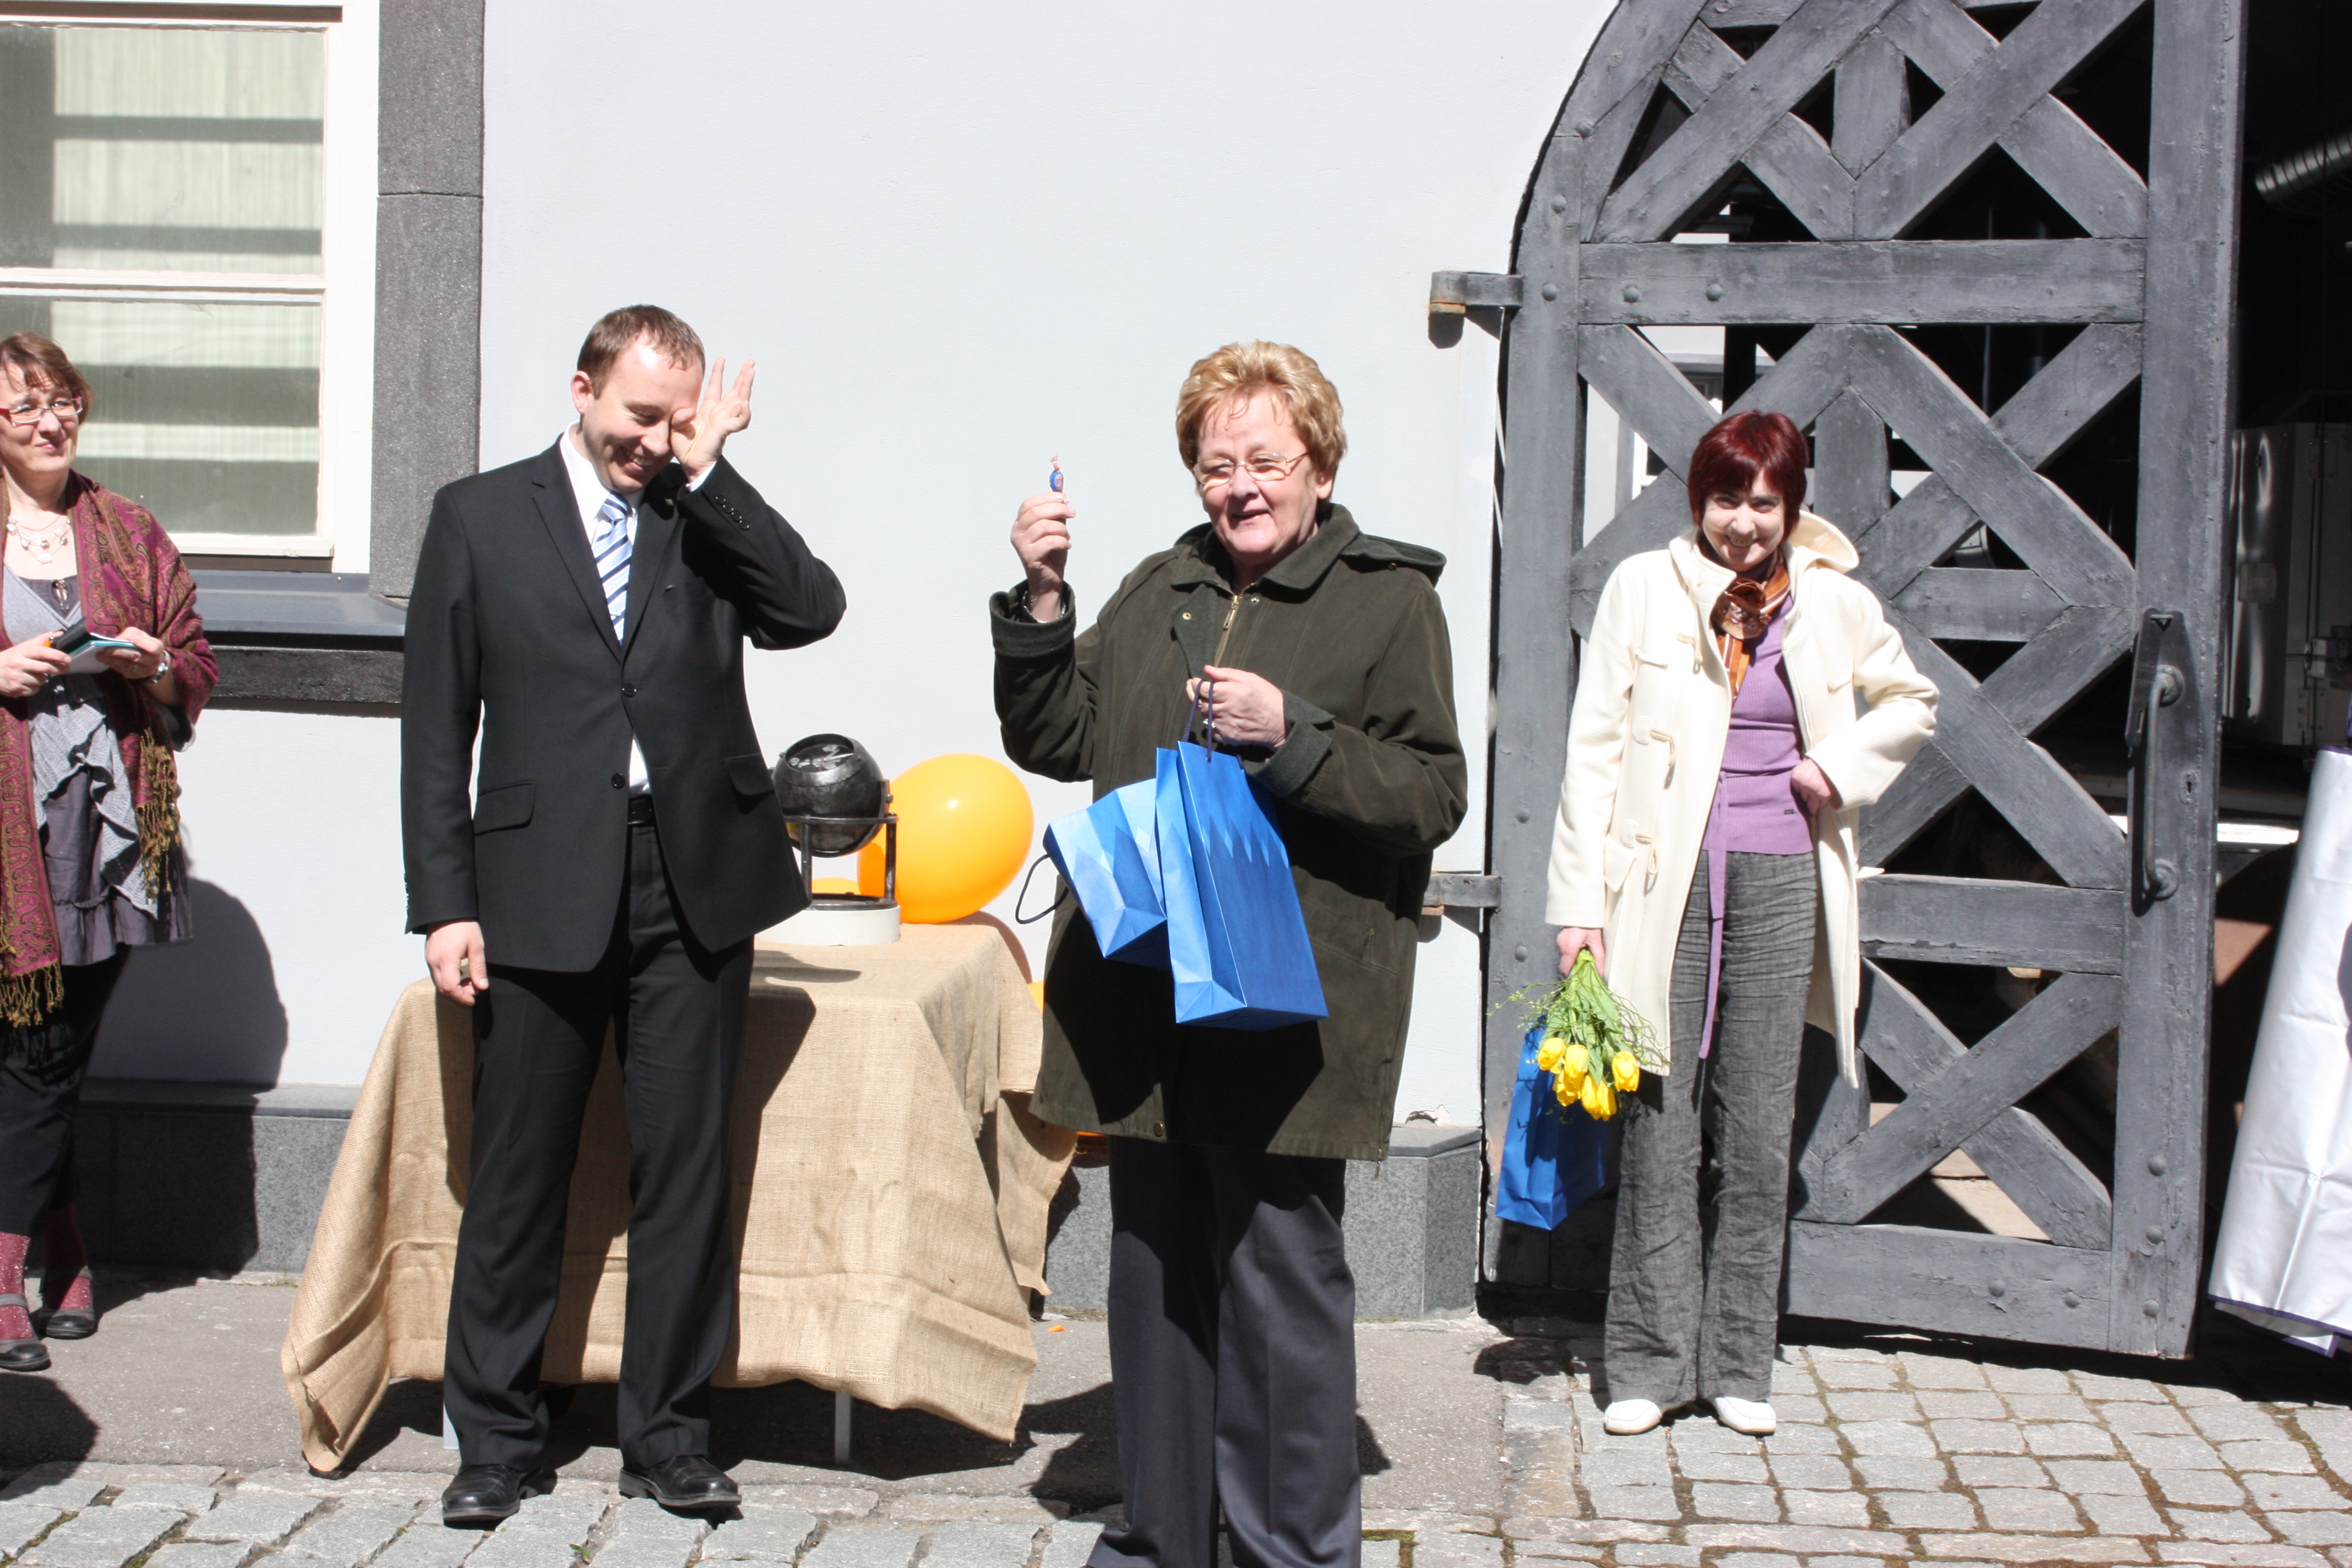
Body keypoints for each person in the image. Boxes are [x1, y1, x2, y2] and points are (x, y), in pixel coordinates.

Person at [996, 341, 1467, 1568]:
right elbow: (1058, 735)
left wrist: (1291, 732)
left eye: (1266, 460)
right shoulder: (1161, 586)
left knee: (1277, 1285)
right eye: (1217, 465)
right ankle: (1164, 1537)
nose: (1240, 486)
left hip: (1286, 998)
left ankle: (1293, 1551)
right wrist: (1041, 603)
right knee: (1155, 1277)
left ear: (1319, 466)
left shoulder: (1388, 600)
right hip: (1148, 988)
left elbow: (1432, 794)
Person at [402, 306, 845, 1524]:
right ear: (583, 389)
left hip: (692, 880)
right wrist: (445, 903)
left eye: (677, 421)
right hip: (536, 881)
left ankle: (670, 1436)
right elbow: (436, 728)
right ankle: (496, 1439)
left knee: (685, 1173)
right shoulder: (478, 516)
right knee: (517, 1175)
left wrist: (714, 472)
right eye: (640, 416)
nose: (654, 440)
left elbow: (809, 608)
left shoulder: (695, 508)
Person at [1546, 410, 1937, 1437]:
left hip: (1780, 878)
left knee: (1760, 1131)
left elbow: (1913, 701)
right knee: (1659, 1122)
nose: (1744, 524)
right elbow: (1592, 752)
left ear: (1791, 506)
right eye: (1726, 500)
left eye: (1765, 503)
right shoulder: (1644, 587)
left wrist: (1836, 768)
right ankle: (1648, 1363)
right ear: (1699, 501)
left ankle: (1737, 1366)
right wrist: (1578, 905)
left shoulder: (1833, 602)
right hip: (1659, 885)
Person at [0, 332, 215, 1373]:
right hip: (9, 832)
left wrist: (153, 665)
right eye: (25, 407)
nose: (51, 423)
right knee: (26, 1062)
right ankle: (64, 1251)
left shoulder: (127, 528)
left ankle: (19, 1274)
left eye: (65, 403)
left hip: (105, 834)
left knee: (50, 1056)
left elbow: (195, 666)